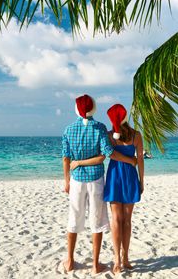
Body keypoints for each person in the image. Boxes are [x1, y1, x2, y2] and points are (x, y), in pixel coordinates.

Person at [61, 95, 137, 275]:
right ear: (93, 108)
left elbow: (66, 158)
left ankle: (70, 260)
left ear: (77, 109)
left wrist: (67, 180)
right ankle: (95, 264)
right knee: (98, 221)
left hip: (77, 180)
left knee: (74, 219)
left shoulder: (68, 129)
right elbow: (107, 153)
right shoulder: (101, 128)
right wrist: (130, 160)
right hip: (96, 179)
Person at [103, 104, 144, 274]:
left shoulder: (109, 136)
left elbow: (106, 154)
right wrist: (142, 181)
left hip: (114, 176)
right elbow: (140, 159)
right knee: (127, 220)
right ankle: (125, 258)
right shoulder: (136, 135)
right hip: (129, 177)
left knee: (116, 220)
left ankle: (117, 260)